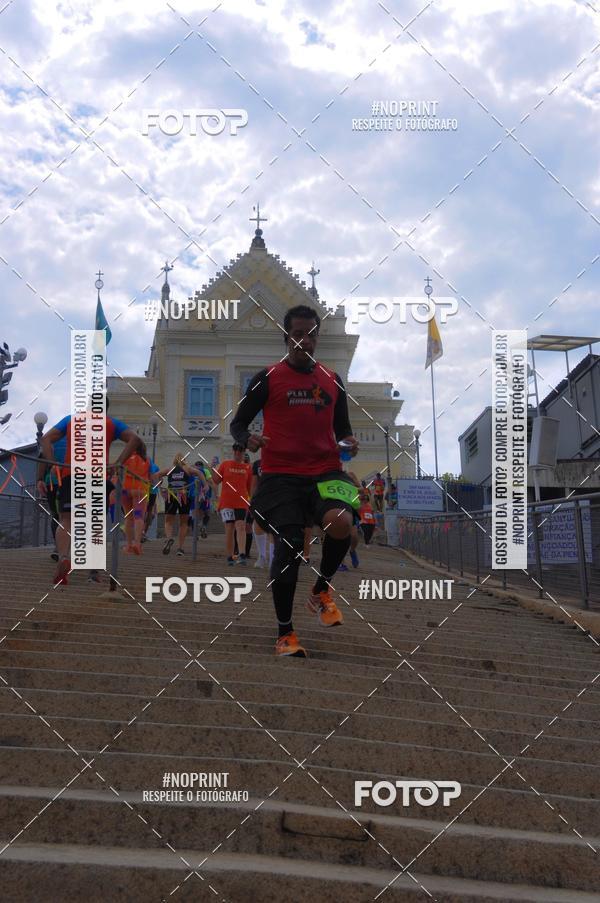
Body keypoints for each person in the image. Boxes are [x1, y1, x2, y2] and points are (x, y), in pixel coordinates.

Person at [230, 303, 360, 657]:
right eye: (298, 334)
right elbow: (238, 423)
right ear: (286, 337)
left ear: (317, 337)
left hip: (325, 471)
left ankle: (320, 590)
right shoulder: (267, 377)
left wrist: (349, 442)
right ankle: (285, 633)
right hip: (281, 474)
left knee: (342, 521)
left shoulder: (332, 379)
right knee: (288, 545)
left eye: (311, 334)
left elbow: (343, 430)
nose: (305, 340)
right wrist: (247, 439)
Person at [38, 403, 139, 585]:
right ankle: (93, 571)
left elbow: (45, 439)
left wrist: (54, 464)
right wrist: (118, 462)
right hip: (98, 476)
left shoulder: (72, 420)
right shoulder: (110, 423)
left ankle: (64, 557)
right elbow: (135, 439)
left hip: (72, 474)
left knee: (67, 519)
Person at [155, 454, 205, 556]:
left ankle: (169, 538)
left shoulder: (170, 469)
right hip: (184, 496)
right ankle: (180, 548)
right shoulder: (187, 468)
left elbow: (156, 475)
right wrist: (206, 485)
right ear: (184, 460)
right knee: (183, 523)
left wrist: (160, 484)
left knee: (168, 521)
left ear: (174, 460)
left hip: (171, 495)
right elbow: (199, 472)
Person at [212, 444, 252, 566]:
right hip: (226, 502)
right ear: (233, 451)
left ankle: (242, 554)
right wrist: (213, 468)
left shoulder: (248, 467)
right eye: (236, 450)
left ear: (244, 452)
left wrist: (251, 502)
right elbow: (216, 480)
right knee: (229, 528)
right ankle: (230, 556)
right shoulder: (225, 464)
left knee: (241, 526)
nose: (238, 453)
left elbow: (250, 488)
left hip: (241, 502)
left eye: (241, 451)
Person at [121, 440, 158, 555]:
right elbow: (152, 477)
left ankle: (128, 545)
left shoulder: (126, 458)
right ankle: (137, 543)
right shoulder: (147, 460)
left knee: (128, 518)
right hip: (140, 490)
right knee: (138, 517)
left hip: (126, 490)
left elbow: (119, 472)